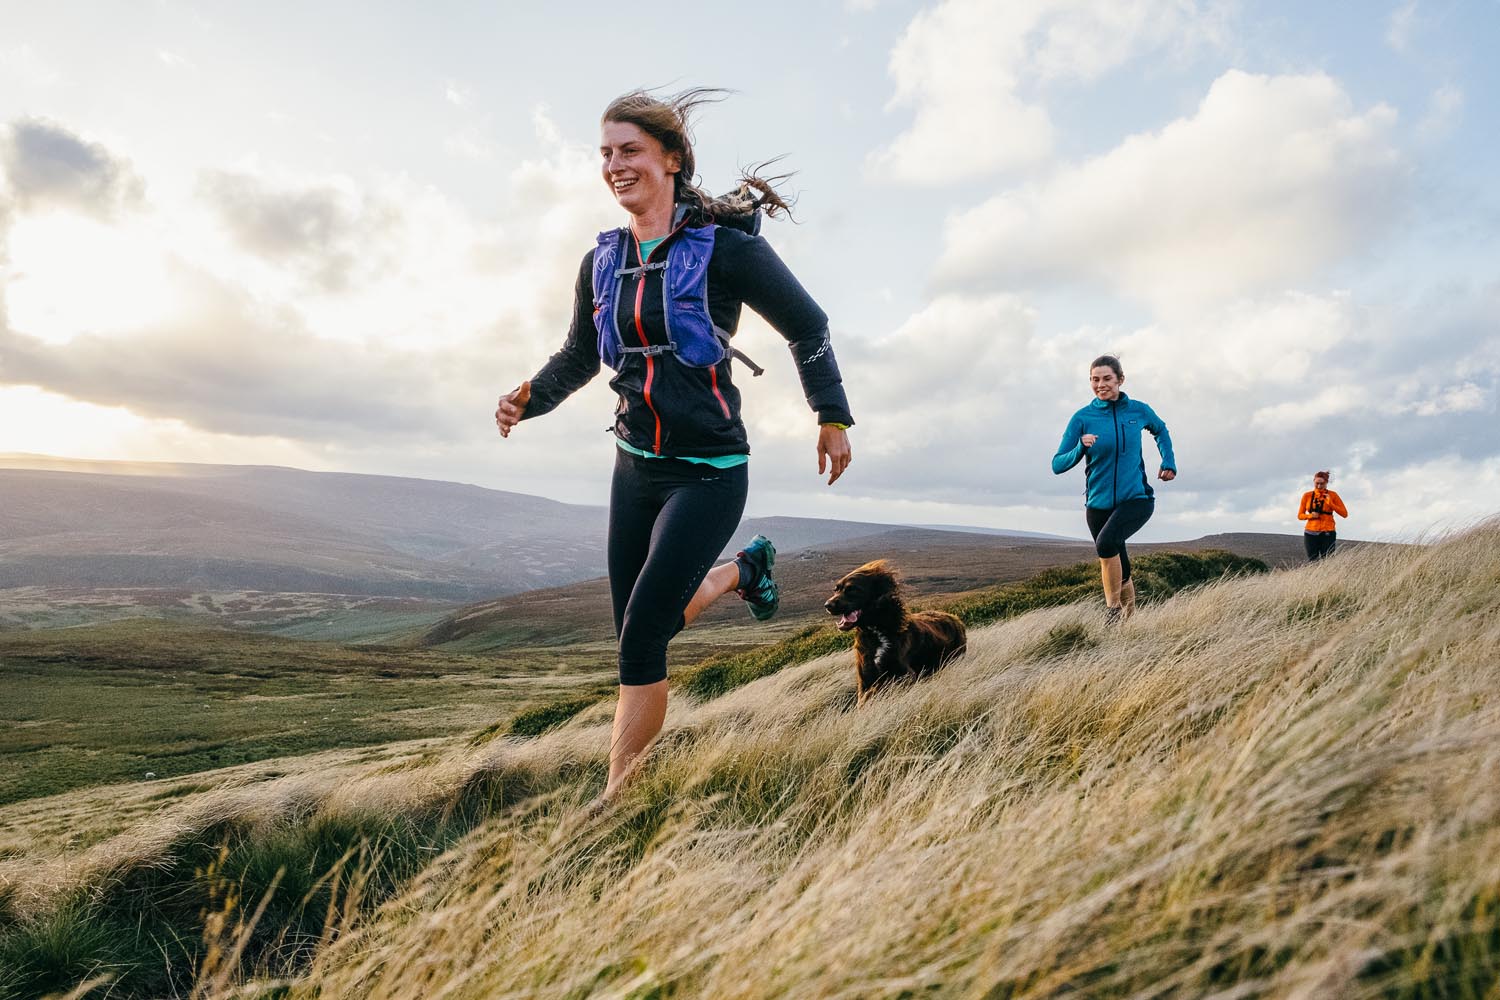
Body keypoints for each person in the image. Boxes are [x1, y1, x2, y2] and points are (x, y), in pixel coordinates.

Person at [494, 88, 854, 798]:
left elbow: (809, 327)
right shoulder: (601, 262)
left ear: (672, 159)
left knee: (640, 638)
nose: (614, 166)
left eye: (629, 151)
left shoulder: (726, 251)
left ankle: (617, 799)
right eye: (605, 154)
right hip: (636, 468)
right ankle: (740, 576)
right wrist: (527, 398)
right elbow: (579, 355)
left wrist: (831, 415)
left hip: (710, 472)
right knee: (639, 629)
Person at [1051, 355, 1176, 623]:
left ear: (1120, 379)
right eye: (1095, 380)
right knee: (1122, 568)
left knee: (1106, 544)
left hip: (1136, 498)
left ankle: (1112, 613)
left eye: (1107, 378)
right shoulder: (1082, 418)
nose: (1100, 384)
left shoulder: (1138, 411)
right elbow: (1057, 464)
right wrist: (1080, 448)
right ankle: (1128, 624)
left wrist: (1169, 461)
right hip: (1097, 505)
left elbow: (1161, 430)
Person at [1297, 470, 1347, 561]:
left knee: (1328, 560)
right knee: (1312, 561)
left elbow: (1344, 514)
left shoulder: (1333, 495)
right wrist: (1310, 516)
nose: (1319, 486)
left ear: (1327, 483)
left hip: (1328, 532)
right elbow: (1300, 515)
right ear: (1313, 481)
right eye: (1317, 483)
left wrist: (1331, 504)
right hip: (1310, 532)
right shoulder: (1307, 496)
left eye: (1322, 484)